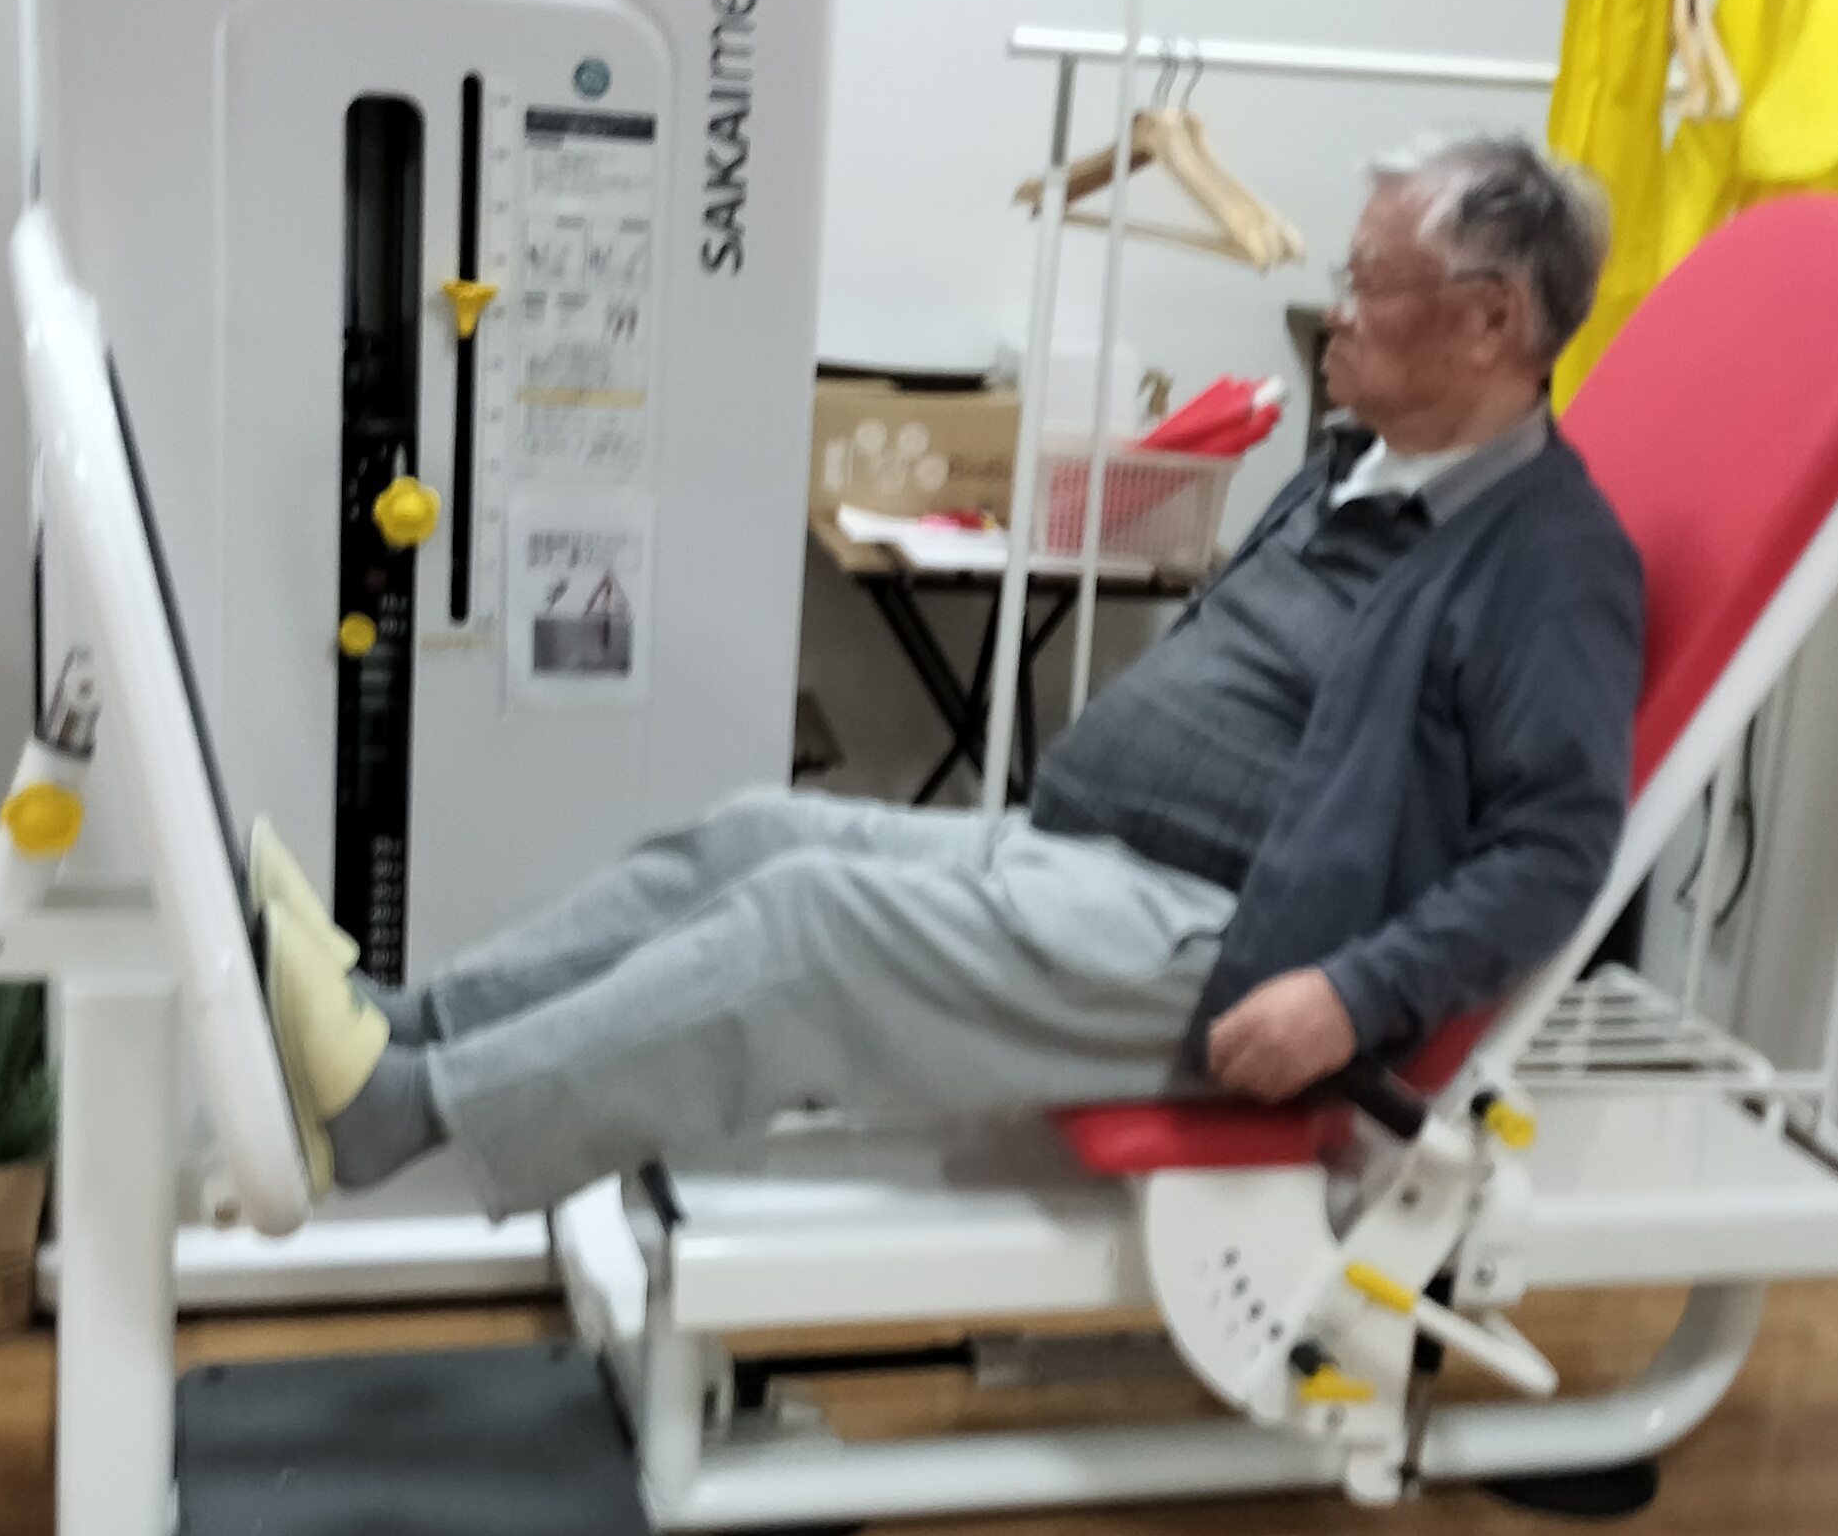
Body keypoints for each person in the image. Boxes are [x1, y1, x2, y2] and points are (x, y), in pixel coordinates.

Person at [255, 129, 1647, 1217]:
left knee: (809, 929)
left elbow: (1554, 849)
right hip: (1082, 856)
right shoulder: (1358, 464)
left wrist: (1349, 996)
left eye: (1368, 285)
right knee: (752, 835)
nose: (1333, 312)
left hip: (1229, 945)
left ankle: (404, 1112)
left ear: (1488, 323)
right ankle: (404, 1025)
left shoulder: (1550, 562)